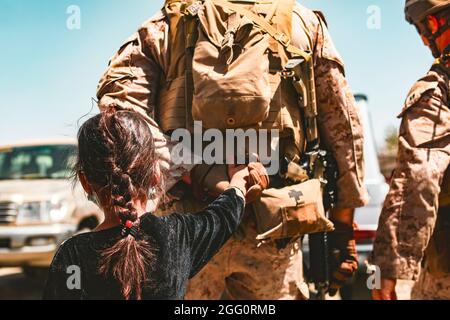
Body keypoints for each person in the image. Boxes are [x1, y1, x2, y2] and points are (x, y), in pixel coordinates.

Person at [96, 0, 368, 300]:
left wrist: (183, 169)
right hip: (275, 222)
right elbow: (345, 128)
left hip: (188, 228)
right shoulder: (302, 23)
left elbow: (119, 110)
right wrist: (343, 225)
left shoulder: (166, 25)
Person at [43, 109, 268, 300]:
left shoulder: (72, 256)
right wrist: (238, 181)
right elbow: (224, 215)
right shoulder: (179, 235)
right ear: (155, 174)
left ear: (85, 182)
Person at [372, 0, 450, 300]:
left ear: (432, 24)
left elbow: (420, 177)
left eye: (420, 29)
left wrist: (389, 266)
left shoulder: (437, 90)